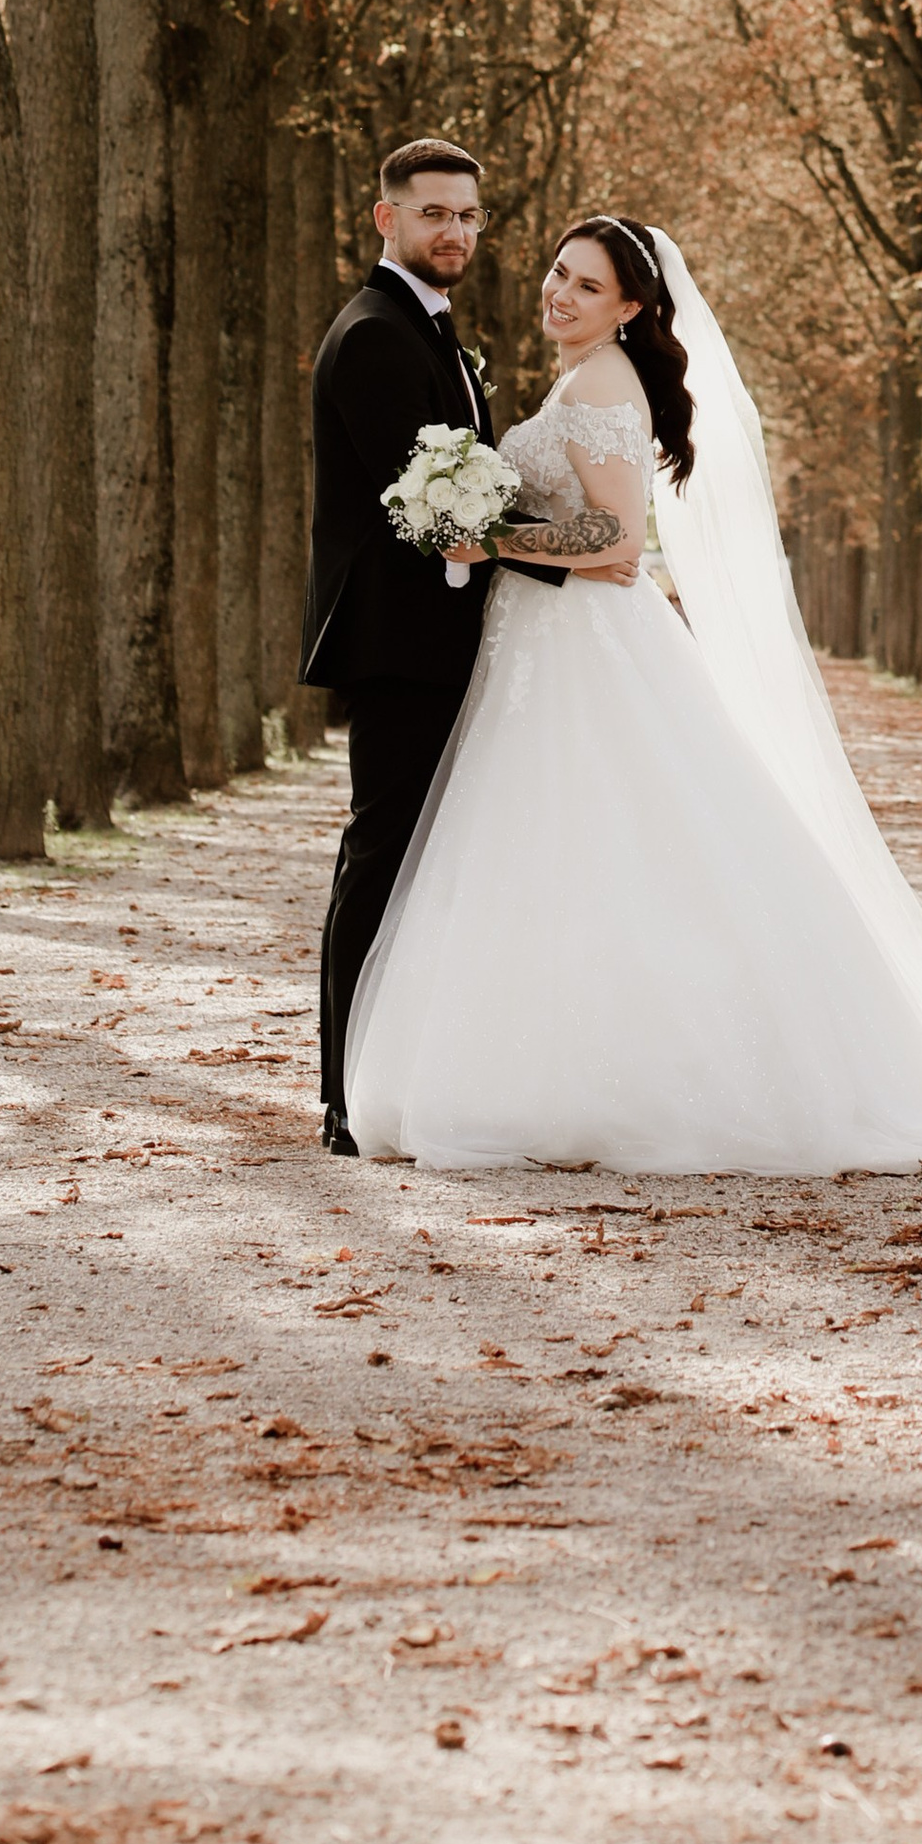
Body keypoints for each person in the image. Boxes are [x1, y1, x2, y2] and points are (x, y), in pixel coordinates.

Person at [341, 213, 922, 1179]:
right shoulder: (582, 374)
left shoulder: (600, 382)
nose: (560, 292)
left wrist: (487, 536)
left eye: (587, 286)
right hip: (545, 650)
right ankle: (555, 1065)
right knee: (566, 852)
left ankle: (600, 1081)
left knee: (597, 844)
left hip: (586, 652)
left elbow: (619, 548)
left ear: (631, 306)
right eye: (558, 272)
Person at [305, 140, 629, 1157]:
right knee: (381, 855)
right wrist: (564, 558)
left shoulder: (432, 331)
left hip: (455, 638)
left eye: (468, 216)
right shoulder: (372, 337)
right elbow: (427, 509)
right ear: (384, 218)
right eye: (433, 213)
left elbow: (467, 501)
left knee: (430, 864)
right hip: (401, 643)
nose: (453, 232)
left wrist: (547, 555)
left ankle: (405, 1072)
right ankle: (345, 1095)